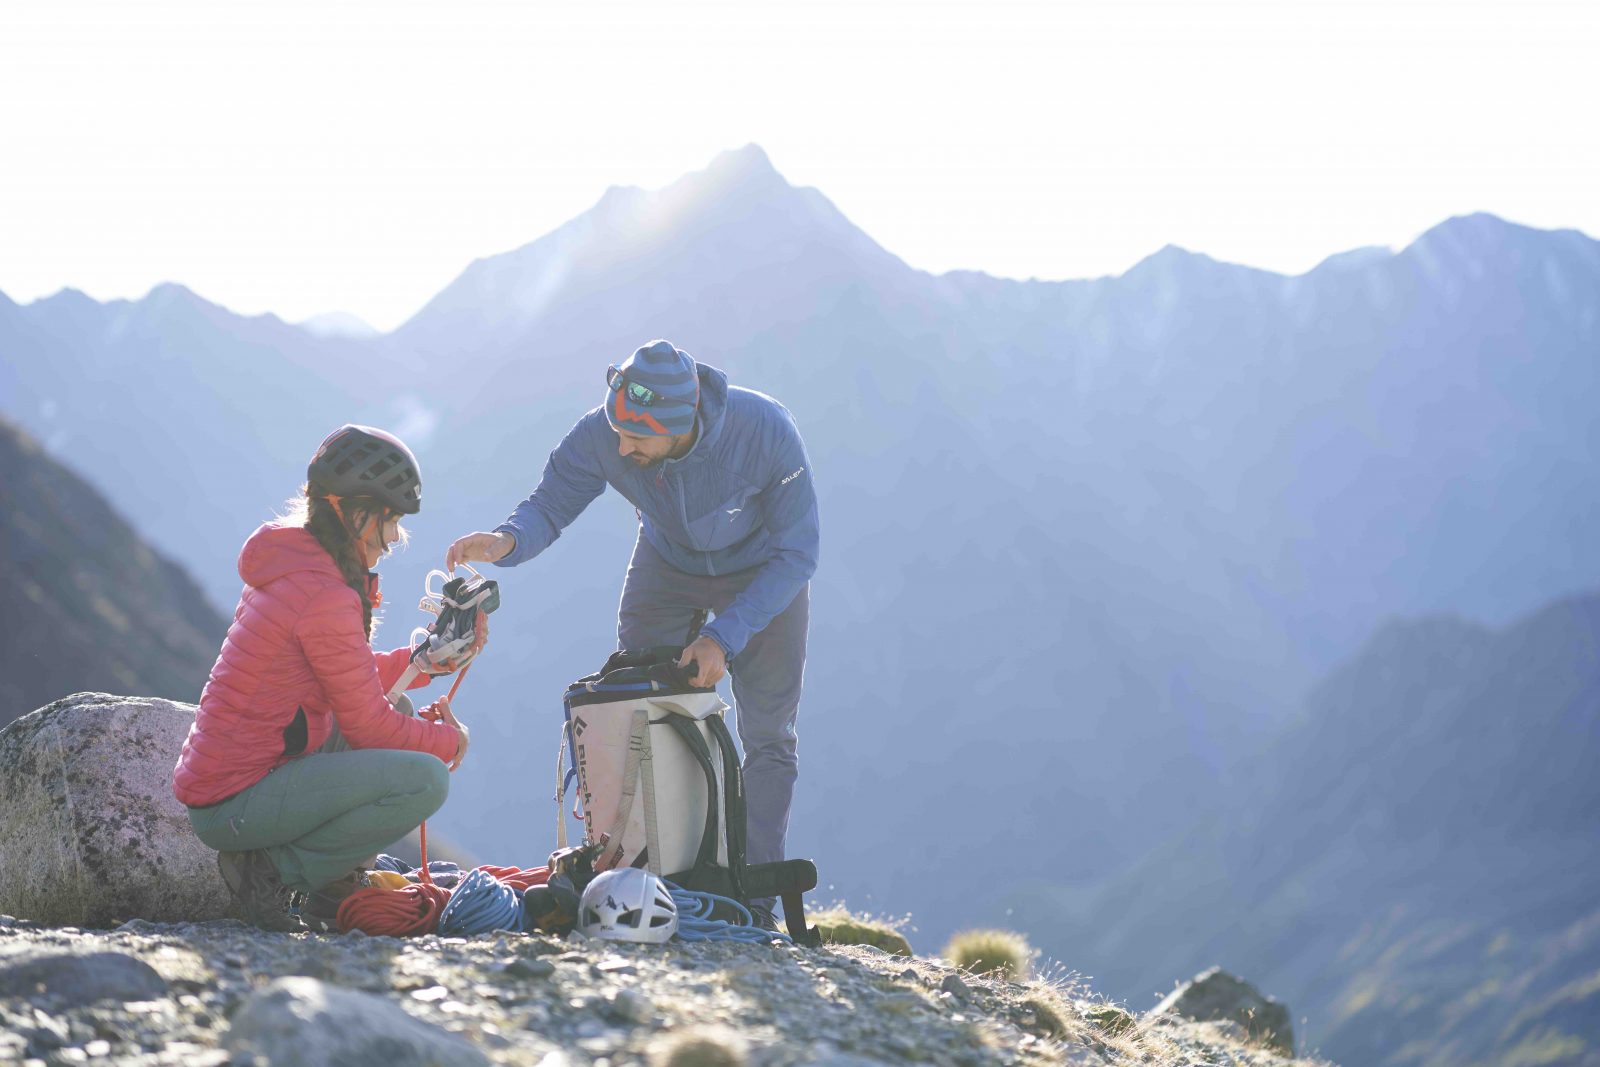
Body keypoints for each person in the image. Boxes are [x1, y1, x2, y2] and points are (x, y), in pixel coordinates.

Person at [446, 339, 818, 929]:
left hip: (764, 572)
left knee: (770, 736)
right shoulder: (606, 429)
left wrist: (726, 636)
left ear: (680, 426)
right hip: (667, 564)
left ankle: (751, 903)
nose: (619, 446)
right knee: (632, 705)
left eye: (636, 440)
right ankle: (653, 878)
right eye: (617, 429)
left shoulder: (764, 431)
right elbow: (553, 499)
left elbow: (799, 552)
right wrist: (508, 542)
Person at [173, 425, 481, 932]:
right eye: (390, 521)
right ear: (354, 511)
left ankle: (329, 879)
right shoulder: (326, 594)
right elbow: (367, 727)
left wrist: (421, 663)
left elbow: (344, 674)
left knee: (402, 711)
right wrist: (450, 741)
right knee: (425, 779)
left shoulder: (299, 566)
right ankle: (274, 874)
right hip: (235, 801)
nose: (394, 538)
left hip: (235, 779)